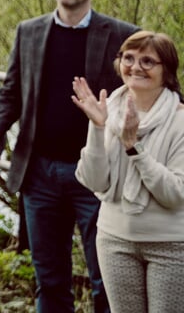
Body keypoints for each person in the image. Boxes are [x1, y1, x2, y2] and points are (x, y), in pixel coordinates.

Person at [0, 0, 137, 313]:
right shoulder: (29, 31)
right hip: (40, 174)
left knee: (105, 279)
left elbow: (147, 96)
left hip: (98, 177)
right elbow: (11, 93)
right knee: (48, 277)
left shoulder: (124, 36)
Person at [74, 31, 184, 313]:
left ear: (167, 72)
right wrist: (98, 129)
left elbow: (175, 194)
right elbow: (94, 181)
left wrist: (134, 147)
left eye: (148, 61)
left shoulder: (180, 120)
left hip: (170, 246)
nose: (135, 67)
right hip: (114, 240)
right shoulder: (107, 109)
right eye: (129, 58)